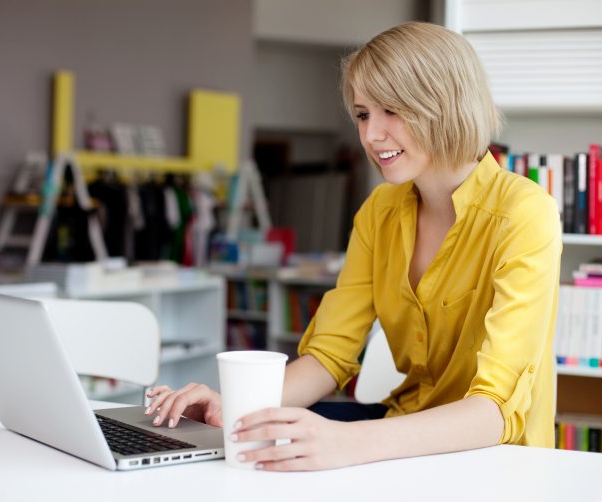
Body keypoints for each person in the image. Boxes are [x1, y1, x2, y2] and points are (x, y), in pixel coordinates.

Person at [145, 21, 561, 471]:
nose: (371, 135)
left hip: (496, 460)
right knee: (248, 447)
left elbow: (494, 411)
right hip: (400, 432)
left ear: (444, 105)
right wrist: (233, 407)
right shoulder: (380, 209)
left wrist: (346, 443)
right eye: (363, 114)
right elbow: (328, 356)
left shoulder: (524, 213)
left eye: (392, 111)